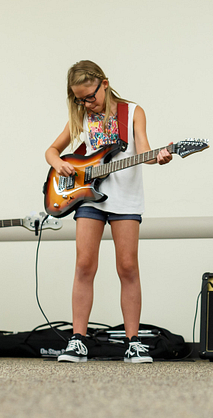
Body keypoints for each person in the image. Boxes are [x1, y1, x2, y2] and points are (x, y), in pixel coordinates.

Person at [45, 60, 172, 364]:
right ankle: (78, 340)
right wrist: (58, 163)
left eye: (90, 96)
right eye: (79, 98)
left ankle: (133, 341)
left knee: (127, 267)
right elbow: (51, 150)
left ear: (104, 83)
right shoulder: (80, 115)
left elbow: (143, 152)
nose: (86, 103)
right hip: (89, 198)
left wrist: (160, 156)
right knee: (84, 265)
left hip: (125, 198)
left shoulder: (132, 112)